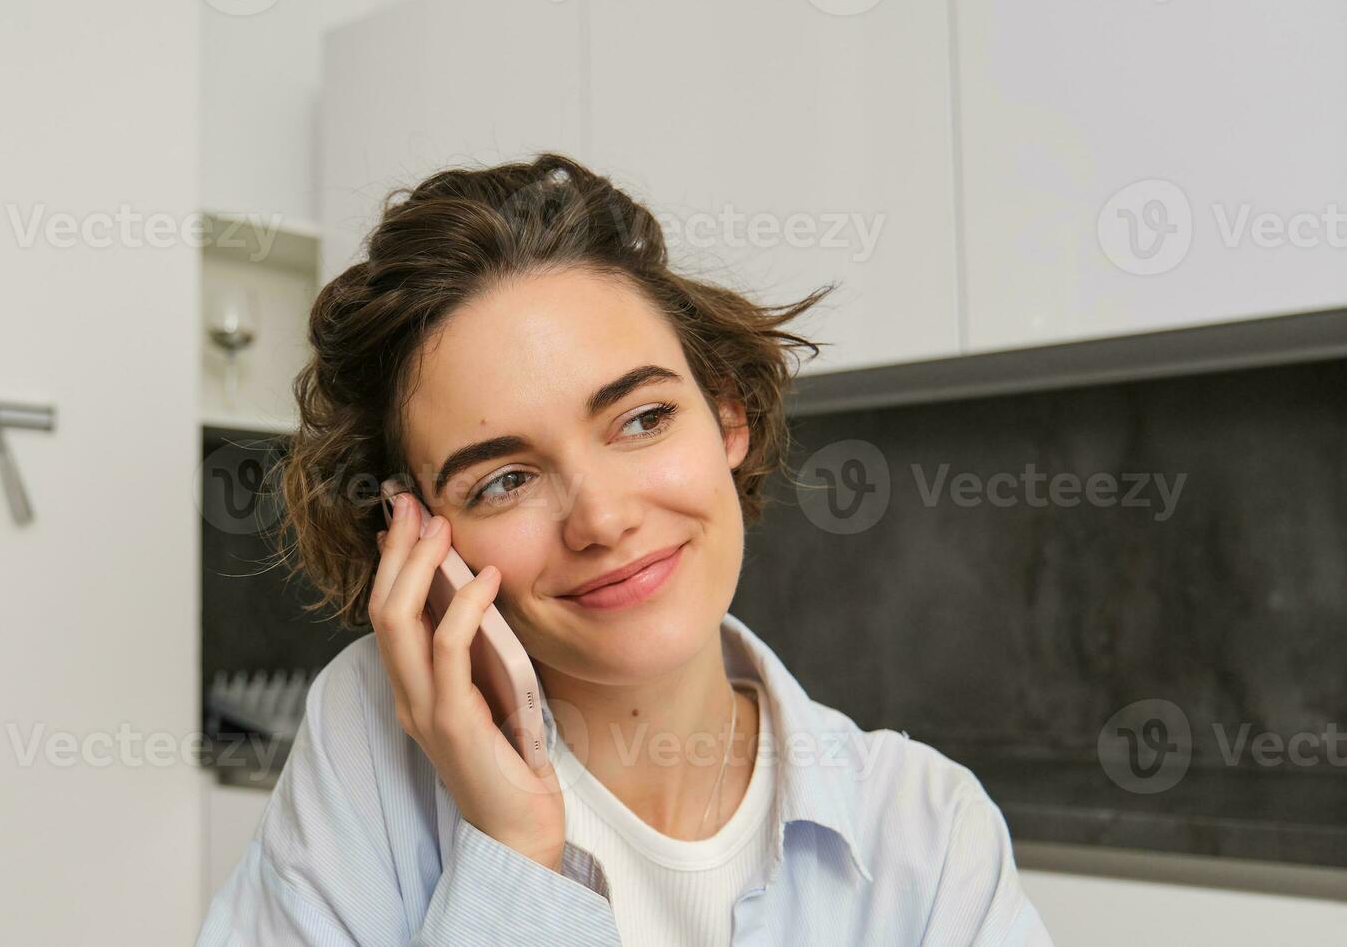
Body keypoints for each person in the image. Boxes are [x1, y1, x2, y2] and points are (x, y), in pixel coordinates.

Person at [198, 154, 1053, 946]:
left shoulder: (926, 830)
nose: (600, 520)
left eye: (641, 419)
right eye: (503, 479)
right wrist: (512, 853)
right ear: (418, 535)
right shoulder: (371, 746)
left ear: (726, 416)